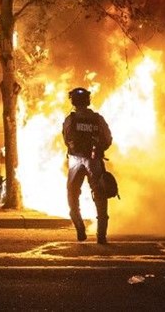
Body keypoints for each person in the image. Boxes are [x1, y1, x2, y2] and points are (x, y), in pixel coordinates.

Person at [62, 86, 113, 244]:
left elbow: (66, 138)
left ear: (74, 102)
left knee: (72, 193)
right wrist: (98, 150)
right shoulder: (98, 119)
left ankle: (79, 228)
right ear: (88, 101)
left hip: (76, 160)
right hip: (94, 160)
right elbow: (108, 139)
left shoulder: (70, 119)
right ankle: (101, 235)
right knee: (100, 196)